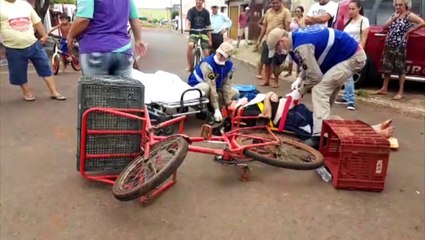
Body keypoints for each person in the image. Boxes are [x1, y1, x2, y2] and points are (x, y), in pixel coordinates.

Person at [266, 26, 367, 148]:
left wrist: (299, 91)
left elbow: (315, 77)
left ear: (282, 41)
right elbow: (308, 63)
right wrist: (299, 78)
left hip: (352, 57)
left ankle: (318, 138)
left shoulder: (301, 45)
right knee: (325, 97)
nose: (278, 52)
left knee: (319, 90)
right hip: (345, 56)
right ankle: (327, 129)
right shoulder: (296, 38)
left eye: (277, 49)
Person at [232, 91, 395, 139]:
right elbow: (265, 118)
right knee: (329, 128)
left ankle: (371, 129)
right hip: (290, 119)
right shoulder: (245, 112)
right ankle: (373, 133)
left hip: (294, 111)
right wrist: (268, 96)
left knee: (334, 120)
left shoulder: (248, 100)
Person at [0, 0, 65, 101]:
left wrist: (44, 35)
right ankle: (27, 93)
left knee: (45, 67)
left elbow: (37, 22)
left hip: (33, 44)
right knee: (18, 73)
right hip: (13, 48)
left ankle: (54, 92)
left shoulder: (25, 4)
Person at [67, 0, 147, 77]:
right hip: (123, 52)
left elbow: (83, 19)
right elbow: (134, 18)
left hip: (95, 50)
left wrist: (70, 35)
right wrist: (138, 39)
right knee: (123, 90)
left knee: (94, 90)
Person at [373, 0, 425, 100]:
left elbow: (422, 23)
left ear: (406, 5)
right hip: (389, 43)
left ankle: (400, 92)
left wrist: (409, 31)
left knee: (400, 68)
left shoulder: (409, 15)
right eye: (396, 5)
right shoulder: (394, 15)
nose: (397, 7)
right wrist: (394, 18)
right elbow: (384, 27)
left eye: (400, 5)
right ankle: (384, 88)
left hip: (400, 45)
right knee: (387, 66)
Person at [188, 42, 239, 122]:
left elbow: (226, 86)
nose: (219, 56)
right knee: (206, 87)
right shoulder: (207, 64)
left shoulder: (229, 66)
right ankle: (202, 108)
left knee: (235, 92)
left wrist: (228, 106)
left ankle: (214, 107)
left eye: (223, 55)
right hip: (196, 89)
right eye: (219, 53)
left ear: (228, 57)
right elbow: (211, 85)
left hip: (215, 88)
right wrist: (216, 109)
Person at [335, 0, 370, 111]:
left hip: (354, 51)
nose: (350, 11)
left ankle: (351, 101)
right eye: (349, 9)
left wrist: (360, 53)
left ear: (359, 8)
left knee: (348, 76)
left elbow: (364, 39)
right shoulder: (348, 21)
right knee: (345, 76)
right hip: (344, 51)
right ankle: (346, 97)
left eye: (353, 9)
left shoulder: (364, 21)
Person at [255, 0, 292, 88]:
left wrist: (284, 42)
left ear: (281, 2)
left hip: (278, 41)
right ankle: (266, 80)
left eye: (277, 2)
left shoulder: (286, 12)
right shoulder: (268, 12)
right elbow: (264, 27)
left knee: (276, 63)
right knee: (266, 61)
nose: (275, 4)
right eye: (273, 3)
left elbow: (287, 29)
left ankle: (276, 81)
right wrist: (259, 39)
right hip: (267, 40)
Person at [185, 0, 212, 72]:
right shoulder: (191, 11)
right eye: (197, 0)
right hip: (193, 32)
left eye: (200, 0)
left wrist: (210, 40)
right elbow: (188, 21)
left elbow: (208, 26)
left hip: (203, 33)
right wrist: (187, 27)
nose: (198, 1)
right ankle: (190, 65)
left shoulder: (206, 12)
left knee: (206, 53)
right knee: (190, 45)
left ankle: (207, 69)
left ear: (203, 1)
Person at [285, 6, 305, 78]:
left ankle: (298, 72)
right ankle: (289, 72)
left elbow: (304, 29)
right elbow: (288, 28)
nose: (297, 13)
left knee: (298, 56)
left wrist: (298, 23)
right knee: (290, 55)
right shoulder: (292, 19)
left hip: (299, 39)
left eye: (298, 11)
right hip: (291, 38)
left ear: (302, 12)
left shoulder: (304, 20)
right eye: (296, 11)